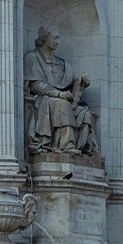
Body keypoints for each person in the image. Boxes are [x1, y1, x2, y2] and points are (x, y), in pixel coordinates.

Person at [23, 26, 98, 155]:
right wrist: (58, 94)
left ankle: (84, 148)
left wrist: (81, 81)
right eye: (55, 37)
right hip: (43, 100)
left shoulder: (62, 63)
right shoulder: (32, 57)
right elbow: (35, 86)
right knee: (62, 104)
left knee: (85, 113)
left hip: (63, 98)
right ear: (45, 37)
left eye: (59, 38)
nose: (58, 41)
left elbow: (71, 84)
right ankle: (66, 144)